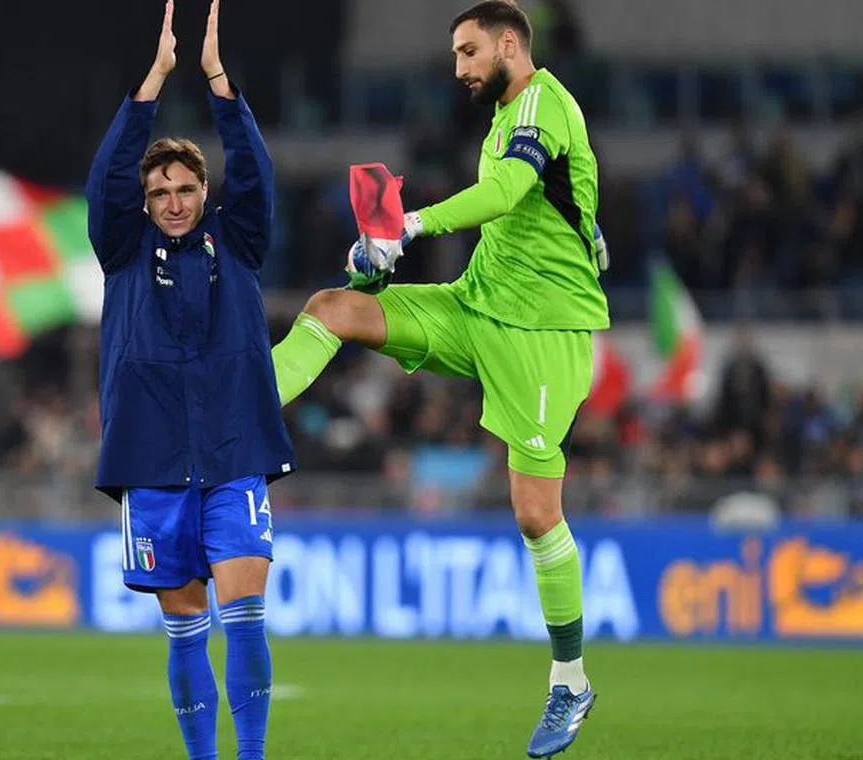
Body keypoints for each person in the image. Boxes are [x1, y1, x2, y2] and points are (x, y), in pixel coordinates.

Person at [270, 2, 606, 756]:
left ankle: (571, 681)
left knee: (534, 512)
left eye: (468, 51)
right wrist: (377, 263)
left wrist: (410, 226)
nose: (458, 68)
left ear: (510, 43)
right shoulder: (502, 121)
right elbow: (545, 214)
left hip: (544, 336)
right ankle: (240, 408)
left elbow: (506, 196)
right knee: (337, 307)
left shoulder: (545, 104)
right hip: (478, 307)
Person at [84, 2, 294, 758]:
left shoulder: (237, 240)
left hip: (235, 451)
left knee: (245, 613)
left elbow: (259, 174)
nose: (172, 201)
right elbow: (108, 178)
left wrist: (215, 81)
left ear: (205, 193)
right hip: (153, 461)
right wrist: (154, 80)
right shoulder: (122, 250)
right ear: (145, 204)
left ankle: (252, 756)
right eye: (160, 192)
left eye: (184, 188)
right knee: (184, 630)